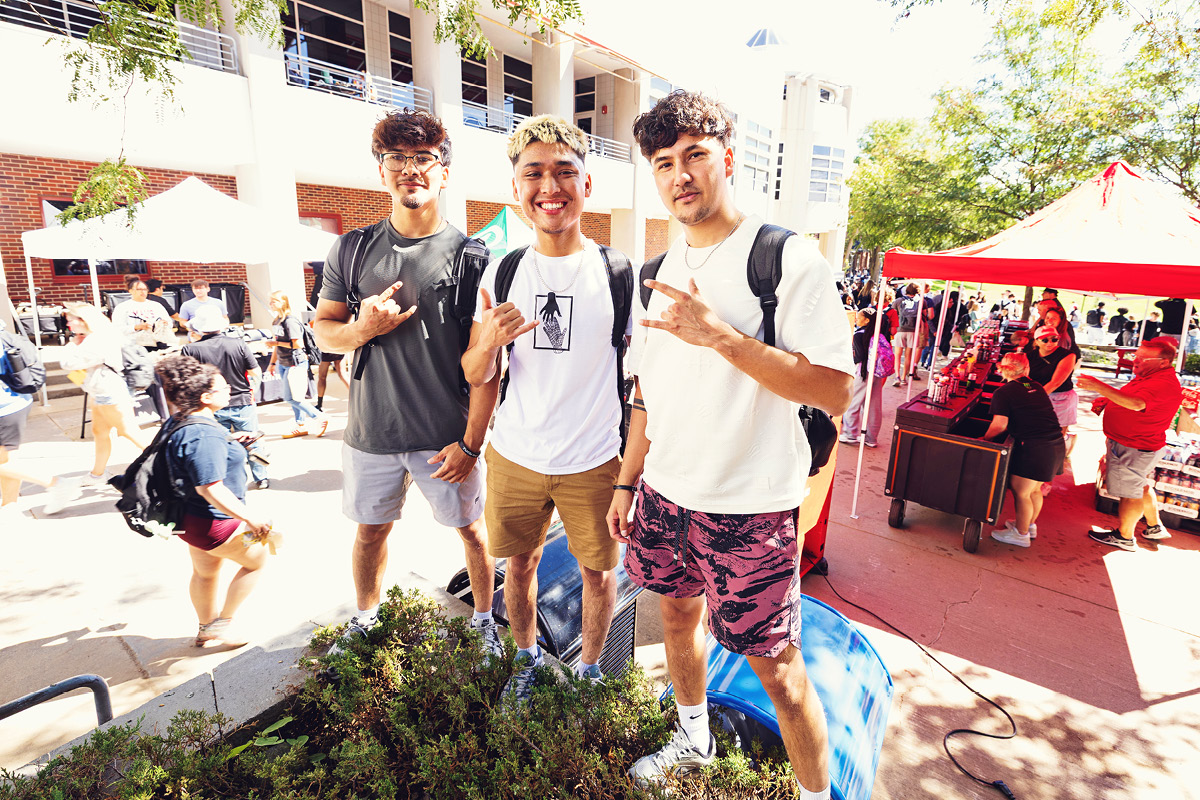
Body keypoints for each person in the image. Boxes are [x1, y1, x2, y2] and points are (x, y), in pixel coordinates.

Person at [611, 90, 853, 799]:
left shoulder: (784, 258)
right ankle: (694, 742)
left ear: (728, 157)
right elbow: (647, 391)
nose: (680, 174)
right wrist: (628, 481)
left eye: (694, 155)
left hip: (750, 508)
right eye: (664, 163)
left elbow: (835, 390)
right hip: (664, 495)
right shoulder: (655, 271)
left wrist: (722, 337)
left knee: (778, 670)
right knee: (675, 615)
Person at [313, 108, 502, 661]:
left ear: (444, 172)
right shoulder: (351, 249)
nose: (409, 169)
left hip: (445, 437)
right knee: (370, 532)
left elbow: (485, 364)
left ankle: (485, 621)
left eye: (423, 158)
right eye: (396, 158)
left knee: (472, 531)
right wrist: (362, 329)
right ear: (381, 171)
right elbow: (324, 331)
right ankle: (365, 620)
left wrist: (472, 444)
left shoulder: (473, 258)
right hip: (371, 431)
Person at [462, 114, 630, 699]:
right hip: (516, 454)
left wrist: (632, 474)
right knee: (520, 566)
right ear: (516, 189)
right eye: (533, 173)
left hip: (595, 458)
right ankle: (526, 660)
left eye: (564, 171)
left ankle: (589, 672)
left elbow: (640, 381)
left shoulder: (618, 273)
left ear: (588, 184)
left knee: (598, 573)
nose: (549, 187)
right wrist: (487, 341)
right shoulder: (502, 269)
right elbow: (476, 373)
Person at [155, 354, 272, 647]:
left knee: (205, 573)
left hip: (188, 520)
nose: (230, 390)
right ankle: (223, 624)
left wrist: (231, 441)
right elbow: (210, 489)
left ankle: (207, 627)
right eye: (224, 388)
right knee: (257, 561)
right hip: (213, 521)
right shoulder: (203, 435)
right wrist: (250, 517)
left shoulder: (183, 420)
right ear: (206, 397)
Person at [1078, 338, 1182, 549]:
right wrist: (1109, 401)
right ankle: (1154, 526)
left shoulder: (1163, 383)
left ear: (1163, 362)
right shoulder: (1150, 376)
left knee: (1130, 494)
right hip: (1137, 444)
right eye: (1136, 356)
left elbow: (1136, 404)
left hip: (1134, 446)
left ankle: (1124, 537)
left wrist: (1099, 386)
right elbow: (1132, 398)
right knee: (1139, 485)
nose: (1136, 361)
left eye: (1143, 359)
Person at [59, 303, 150, 485]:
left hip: (109, 391)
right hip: (102, 391)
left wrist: (72, 345)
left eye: (71, 321)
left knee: (129, 431)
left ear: (84, 320)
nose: (68, 325)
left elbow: (68, 363)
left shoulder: (97, 340)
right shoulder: (99, 336)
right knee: (100, 432)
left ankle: (170, 465)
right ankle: (97, 474)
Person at [181, 305, 269, 490]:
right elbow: (255, 372)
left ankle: (227, 482)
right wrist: (251, 390)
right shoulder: (238, 343)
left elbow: (187, 381)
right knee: (252, 442)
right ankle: (261, 478)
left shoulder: (190, 349)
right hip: (242, 401)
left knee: (219, 445)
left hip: (210, 405)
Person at [983, 353, 1065, 547]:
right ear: (1027, 369)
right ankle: (1028, 525)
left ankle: (1020, 534)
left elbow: (1000, 425)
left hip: (1034, 448)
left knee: (1021, 493)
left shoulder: (1004, 392)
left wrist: (985, 439)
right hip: (1055, 443)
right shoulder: (1034, 385)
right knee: (1035, 490)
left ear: (1002, 369)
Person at [0, 319, 80, 515]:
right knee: (7, 461)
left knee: (6, 461)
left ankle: (57, 484)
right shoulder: (4, 334)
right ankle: (10, 506)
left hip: (6, 408)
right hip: (15, 403)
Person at [266, 290, 327, 439]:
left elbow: (298, 344)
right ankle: (300, 425)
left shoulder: (290, 321)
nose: (271, 303)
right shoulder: (276, 321)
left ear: (283, 302)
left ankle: (319, 417)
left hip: (296, 363)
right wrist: (272, 362)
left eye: (274, 301)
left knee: (291, 398)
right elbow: (277, 345)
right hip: (284, 363)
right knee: (295, 396)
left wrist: (276, 344)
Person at [840, 308, 890, 448]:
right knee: (874, 406)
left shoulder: (858, 335)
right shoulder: (878, 335)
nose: (856, 319)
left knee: (853, 402)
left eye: (859, 317)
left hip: (863, 373)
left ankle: (850, 434)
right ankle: (871, 438)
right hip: (876, 373)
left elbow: (859, 356)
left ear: (867, 320)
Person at [1025, 323, 1079, 441]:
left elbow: (1055, 382)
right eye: (1045, 340)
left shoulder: (1068, 355)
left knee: (1056, 435)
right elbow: (1024, 379)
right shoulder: (1029, 356)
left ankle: (1065, 443)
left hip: (1060, 397)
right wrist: (1028, 390)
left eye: (1054, 339)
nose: (1050, 343)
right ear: (1036, 341)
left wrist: (1033, 399)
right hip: (1037, 395)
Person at [111, 279, 174, 351]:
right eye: (139, 289)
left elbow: (170, 323)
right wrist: (137, 327)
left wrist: (163, 324)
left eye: (145, 289)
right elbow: (117, 329)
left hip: (157, 344)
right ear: (130, 291)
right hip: (133, 346)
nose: (142, 291)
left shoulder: (156, 305)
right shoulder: (122, 307)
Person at [891, 283, 921, 386]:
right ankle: (904, 378)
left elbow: (892, 315)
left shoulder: (898, 301)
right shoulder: (919, 302)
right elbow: (926, 316)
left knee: (898, 355)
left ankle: (897, 376)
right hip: (913, 330)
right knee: (908, 356)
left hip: (900, 330)